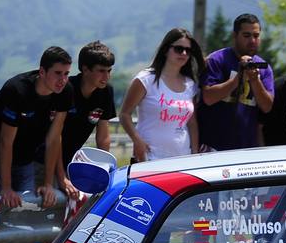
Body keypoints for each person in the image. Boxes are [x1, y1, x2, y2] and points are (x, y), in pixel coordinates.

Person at [0, 46, 73, 243]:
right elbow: (5, 142)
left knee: (24, 224)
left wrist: (49, 183)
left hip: (27, 161)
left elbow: (54, 138)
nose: (63, 79)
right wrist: (6, 187)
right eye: (58, 73)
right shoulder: (17, 90)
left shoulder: (64, 91)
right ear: (42, 72)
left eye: (67, 73)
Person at [120, 28, 202, 162]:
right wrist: (137, 140)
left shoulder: (190, 84)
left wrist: (194, 152)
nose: (184, 53)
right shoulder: (145, 80)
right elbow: (124, 114)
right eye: (178, 49)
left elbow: (192, 123)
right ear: (165, 50)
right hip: (149, 157)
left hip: (183, 158)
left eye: (188, 50)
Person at [197, 13, 273, 151]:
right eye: (246, 35)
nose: (252, 40)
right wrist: (238, 79)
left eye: (256, 36)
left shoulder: (263, 68)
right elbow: (208, 97)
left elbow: (267, 106)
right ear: (234, 35)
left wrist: (255, 80)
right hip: (213, 146)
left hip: (246, 148)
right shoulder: (217, 60)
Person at [60, 41, 116, 163]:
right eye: (101, 71)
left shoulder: (106, 91)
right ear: (85, 69)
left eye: (109, 71)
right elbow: (53, 136)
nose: (107, 77)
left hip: (71, 159)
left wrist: (104, 166)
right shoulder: (65, 89)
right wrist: (60, 174)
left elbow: (103, 137)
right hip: (43, 158)